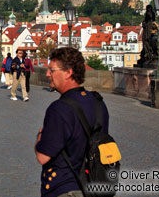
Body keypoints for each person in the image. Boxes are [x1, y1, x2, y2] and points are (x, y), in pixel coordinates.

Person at [35, 47, 110, 197]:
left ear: (68, 73)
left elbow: (43, 156)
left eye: (52, 70)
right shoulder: (98, 102)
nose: (48, 74)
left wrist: (39, 137)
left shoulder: (59, 108)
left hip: (64, 187)